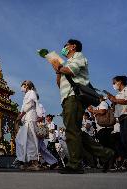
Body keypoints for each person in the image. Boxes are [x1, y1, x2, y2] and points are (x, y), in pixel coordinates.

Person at [47, 39, 114, 174]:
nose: (64, 48)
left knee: (72, 131)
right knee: (75, 131)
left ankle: (75, 164)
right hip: (66, 97)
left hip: (74, 97)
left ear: (73, 46)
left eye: (66, 46)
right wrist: (58, 70)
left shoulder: (78, 56)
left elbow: (71, 71)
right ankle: (105, 154)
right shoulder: (66, 63)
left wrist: (59, 67)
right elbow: (60, 85)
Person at [107, 76, 127, 169]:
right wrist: (113, 101)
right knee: (123, 141)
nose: (113, 85)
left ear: (120, 82)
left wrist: (114, 99)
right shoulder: (118, 95)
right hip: (121, 119)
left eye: (114, 82)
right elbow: (116, 109)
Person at [15, 80, 41, 171]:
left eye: (22, 85)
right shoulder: (27, 94)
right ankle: (26, 161)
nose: (21, 87)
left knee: (31, 141)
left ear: (26, 85)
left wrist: (20, 116)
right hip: (26, 119)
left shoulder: (31, 92)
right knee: (21, 140)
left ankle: (35, 163)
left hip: (30, 118)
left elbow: (29, 105)